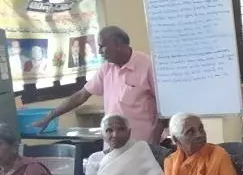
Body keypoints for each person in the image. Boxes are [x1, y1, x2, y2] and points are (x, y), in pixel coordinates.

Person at [33, 26, 162, 143]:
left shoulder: (148, 65)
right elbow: (82, 95)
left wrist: (155, 142)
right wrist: (51, 115)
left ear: (116, 44)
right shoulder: (106, 68)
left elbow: (164, 108)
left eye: (101, 46)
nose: (99, 51)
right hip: (113, 144)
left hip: (141, 144)